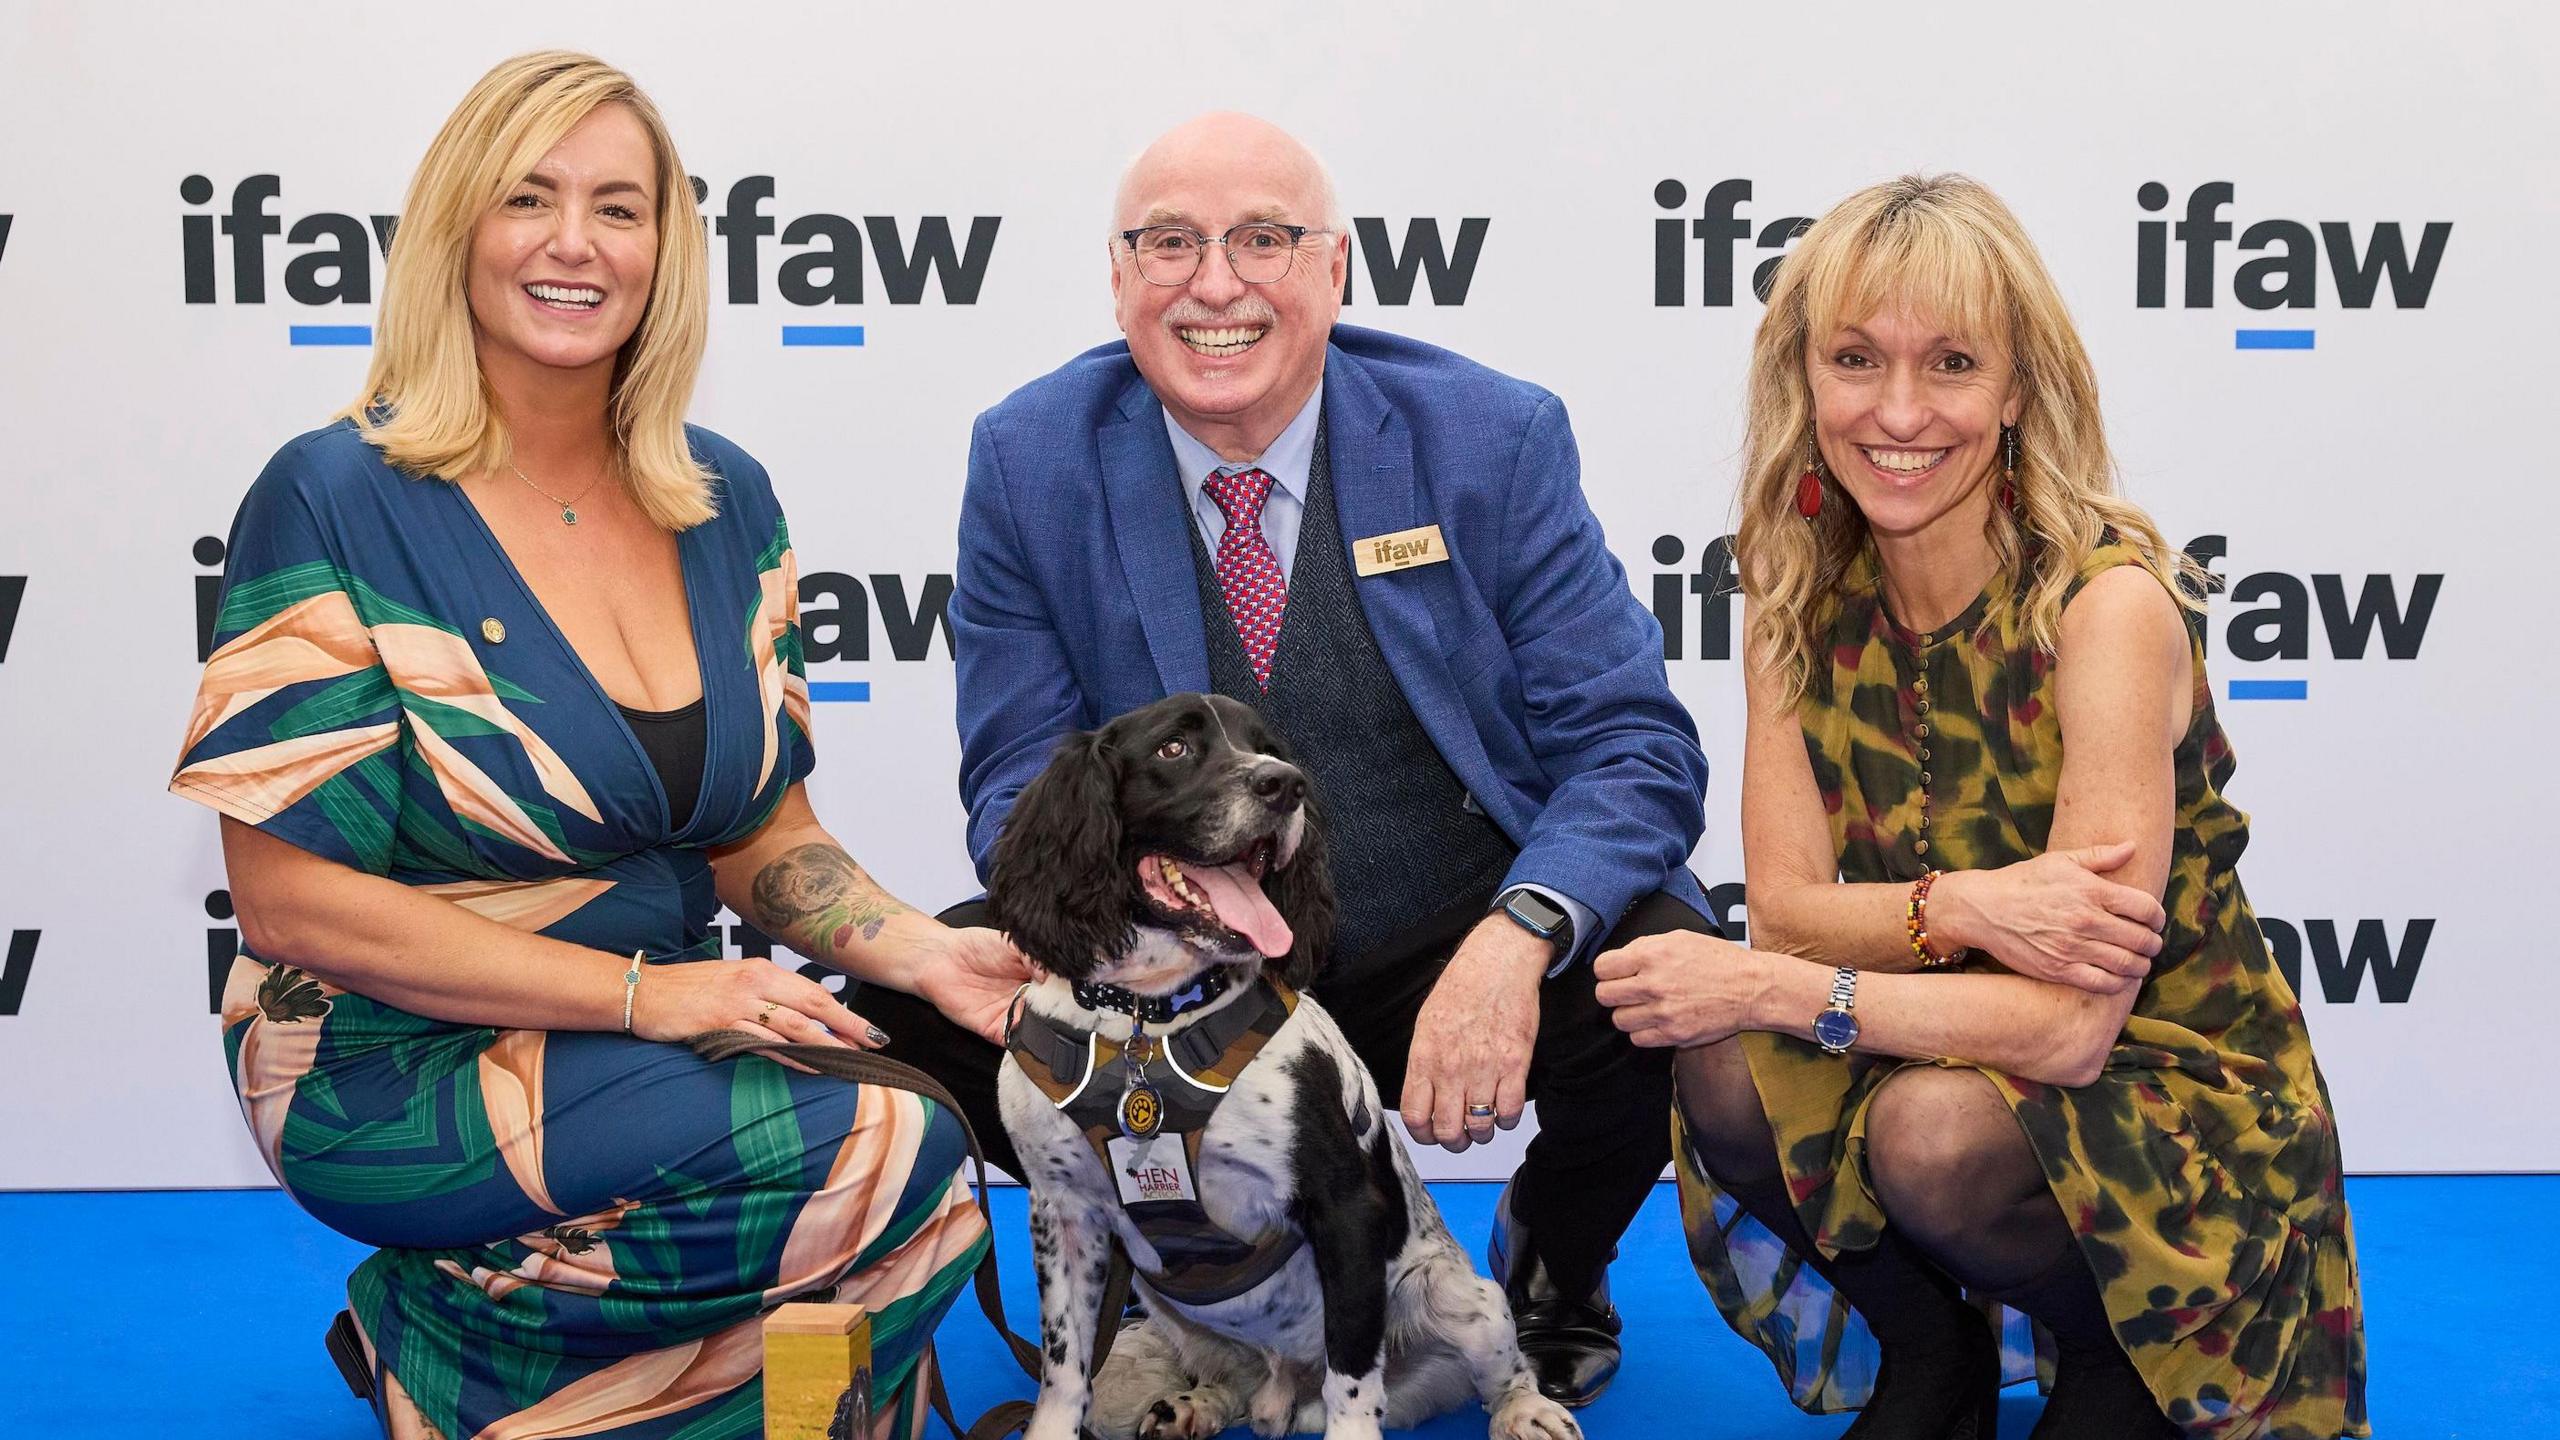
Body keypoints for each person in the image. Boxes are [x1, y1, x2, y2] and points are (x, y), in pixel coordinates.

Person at [170, 52, 1031, 1440]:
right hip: (384, 1053)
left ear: (667, 251)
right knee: (884, 1157)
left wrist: (927, 954)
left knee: (924, 1144)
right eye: (531, 197)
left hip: (644, 1029)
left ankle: (511, 1378)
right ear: (461, 230)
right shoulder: (331, 494)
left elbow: (766, 838)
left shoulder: (724, 499)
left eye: (619, 209)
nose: (576, 244)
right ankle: (454, 1344)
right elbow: (290, 902)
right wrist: (649, 997)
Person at [853, 111, 1715, 1407]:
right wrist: (1153, 954)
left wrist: (1515, 939)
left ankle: (1555, 1257)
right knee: (908, 1016)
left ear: (1338, 268)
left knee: (1656, 975)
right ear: (1118, 276)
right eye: (1170, 243)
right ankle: (1173, 1256)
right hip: (1180, 956)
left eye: (1263, 239)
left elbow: (1632, 745)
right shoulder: (1029, 457)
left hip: (1443, 937)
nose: (1215, 283)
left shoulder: (1491, 436)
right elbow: (1016, 778)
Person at [1592, 174, 2368, 1439]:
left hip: (2168, 1080)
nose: (1898, 412)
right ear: (1805, 380)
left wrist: (1775, 982)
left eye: (1950, 363)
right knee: (1723, 1069)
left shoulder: (2105, 609)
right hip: (1949, 1023)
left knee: (1928, 1132)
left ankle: (2119, 1358)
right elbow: (1784, 905)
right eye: (1855, 359)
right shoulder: (1792, 590)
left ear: (2017, 389)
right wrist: (1966, 905)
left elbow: (2067, 1033)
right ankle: (1930, 1352)